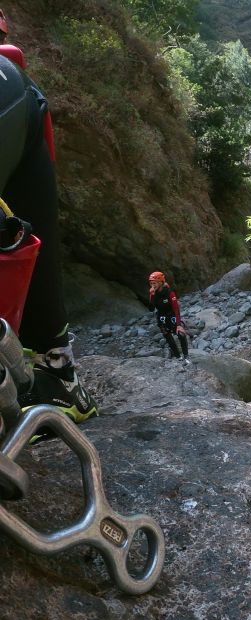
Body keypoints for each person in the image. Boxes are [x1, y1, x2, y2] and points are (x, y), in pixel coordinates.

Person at [0, 35, 98, 423]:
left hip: (13, 98)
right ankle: (58, 373)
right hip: (14, 92)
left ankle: (55, 374)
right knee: (27, 233)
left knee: (25, 234)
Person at [147, 271, 190, 362]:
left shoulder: (169, 293)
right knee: (168, 337)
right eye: (151, 283)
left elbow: (176, 309)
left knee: (181, 334)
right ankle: (178, 357)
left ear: (160, 282)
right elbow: (151, 309)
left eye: (154, 283)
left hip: (172, 316)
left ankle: (186, 356)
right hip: (161, 318)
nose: (152, 285)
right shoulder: (153, 293)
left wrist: (178, 325)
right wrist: (152, 295)